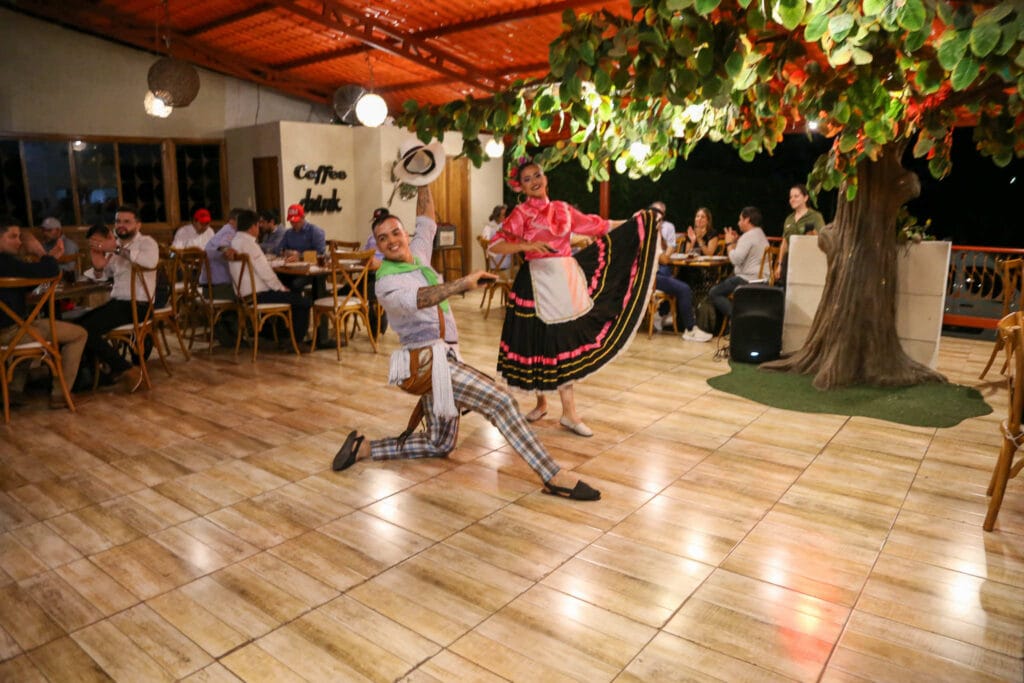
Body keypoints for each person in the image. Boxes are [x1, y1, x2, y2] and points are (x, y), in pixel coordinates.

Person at [331, 185, 601, 501]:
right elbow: (422, 298)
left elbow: (426, 219)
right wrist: (463, 284)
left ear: (404, 234)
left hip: (446, 357)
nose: (392, 240)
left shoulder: (417, 254)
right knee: (501, 402)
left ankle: (364, 447)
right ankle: (552, 474)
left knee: (439, 444)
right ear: (377, 246)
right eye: (383, 238)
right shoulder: (387, 282)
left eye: (395, 233)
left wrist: (424, 176)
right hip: (430, 363)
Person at [488, 159, 659, 437]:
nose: (535, 181)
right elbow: (496, 245)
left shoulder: (563, 209)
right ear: (522, 187)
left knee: (561, 342)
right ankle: (542, 403)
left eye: (538, 175)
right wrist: (527, 245)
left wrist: (635, 222)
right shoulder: (520, 214)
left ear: (545, 178)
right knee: (536, 343)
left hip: (564, 279)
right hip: (535, 283)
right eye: (528, 178)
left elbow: (598, 226)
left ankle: (569, 413)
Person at [0, 217, 88, 409]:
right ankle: (60, 393)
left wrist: (49, 260)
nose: (19, 241)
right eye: (12, 237)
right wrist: (42, 253)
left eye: (19, 236)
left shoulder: (9, 265)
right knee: (79, 334)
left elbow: (31, 280)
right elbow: (46, 272)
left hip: (12, 330)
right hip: (10, 334)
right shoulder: (6, 262)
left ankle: (14, 390)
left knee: (31, 327)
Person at [78, 205, 159, 392]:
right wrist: (98, 262)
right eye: (118, 221)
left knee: (86, 329)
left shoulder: (147, 243)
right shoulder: (115, 248)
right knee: (76, 326)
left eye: (126, 222)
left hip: (139, 305)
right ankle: (95, 373)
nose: (120, 225)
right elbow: (101, 277)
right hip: (118, 304)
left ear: (138, 225)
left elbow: (150, 262)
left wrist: (115, 249)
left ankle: (126, 369)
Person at [228, 209, 311, 345]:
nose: (259, 227)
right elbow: (265, 272)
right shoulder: (250, 244)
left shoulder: (235, 242)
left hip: (244, 295)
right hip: (258, 295)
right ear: (252, 227)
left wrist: (282, 262)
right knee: (302, 301)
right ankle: (295, 342)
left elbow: (262, 264)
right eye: (258, 225)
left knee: (291, 293)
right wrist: (280, 287)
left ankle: (278, 335)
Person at [649, 202, 712, 342]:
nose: (660, 223)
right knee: (683, 288)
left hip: (650, 275)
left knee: (678, 281)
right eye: (658, 221)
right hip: (648, 278)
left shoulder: (649, 235)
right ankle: (690, 329)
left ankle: (662, 314)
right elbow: (664, 260)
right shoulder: (650, 237)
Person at [708, 206, 770, 319]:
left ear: (747, 220)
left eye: (740, 219)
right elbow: (744, 256)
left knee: (714, 292)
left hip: (748, 279)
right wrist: (736, 242)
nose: (738, 223)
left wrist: (728, 243)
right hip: (763, 279)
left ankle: (739, 319)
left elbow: (735, 260)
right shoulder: (760, 233)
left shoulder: (748, 236)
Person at [204, 208, 242, 346]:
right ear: (233, 221)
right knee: (249, 294)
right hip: (219, 287)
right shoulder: (230, 232)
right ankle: (235, 337)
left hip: (208, 287)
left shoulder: (220, 232)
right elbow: (223, 246)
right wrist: (229, 251)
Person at [775, 184, 825, 284]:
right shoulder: (789, 219)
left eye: (796, 196)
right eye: (790, 197)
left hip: (807, 260)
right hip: (789, 260)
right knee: (786, 290)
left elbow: (823, 239)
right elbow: (784, 243)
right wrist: (779, 265)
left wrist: (813, 234)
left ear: (805, 198)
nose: (792, 199)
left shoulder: (815, 216)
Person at [481, 204, 512, 270]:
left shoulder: (504, 225)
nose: (506, 217)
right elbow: (485, 242)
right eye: (504, 215)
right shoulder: (489, 227)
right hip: (495, 256)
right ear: (497, 216)